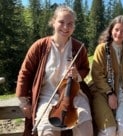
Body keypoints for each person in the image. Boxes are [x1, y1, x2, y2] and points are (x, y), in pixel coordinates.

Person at [15, 5, 93, 136]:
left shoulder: (78, 47)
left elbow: (85, 68)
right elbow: (25, 73)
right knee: (47, 132)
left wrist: (77, 75)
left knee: (86, 129)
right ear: (53, 22)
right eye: (61, 22)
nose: (66, 27)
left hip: (74, 96)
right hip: (47, 97)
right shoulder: (40, 46)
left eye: (70, 24)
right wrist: (23, 102)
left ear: (74, 26)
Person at [90, 15, 123, 136]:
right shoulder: (102, 48)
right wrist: (110, 93)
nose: (119, 33)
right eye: (116, 29)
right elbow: (96, 75)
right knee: (109, 130)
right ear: (111, 30)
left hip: (122, 92)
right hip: (101, 92)